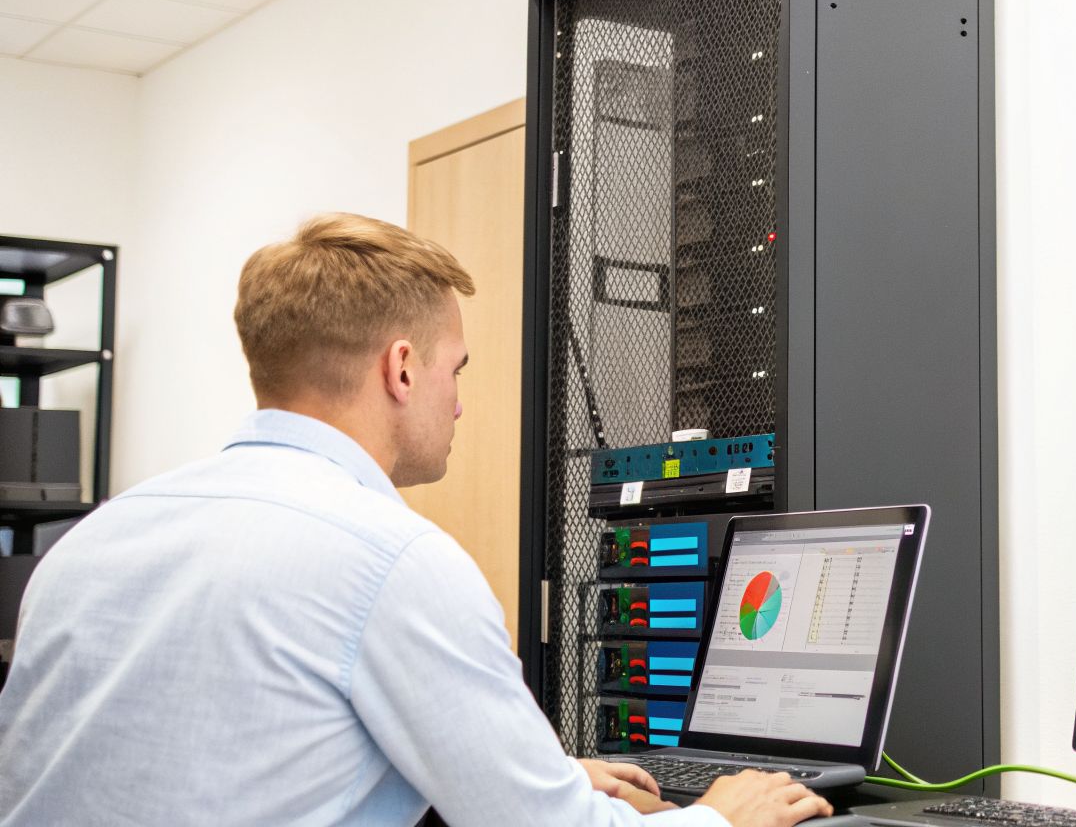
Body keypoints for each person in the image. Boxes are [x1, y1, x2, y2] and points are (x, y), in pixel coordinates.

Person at [0, 214, 833, 827]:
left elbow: (204, 762)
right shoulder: (389, 559)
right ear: (401, 367)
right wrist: (724, 815)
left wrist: (518, 771)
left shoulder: (95, 538)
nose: (461, 402)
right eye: (454, 370)